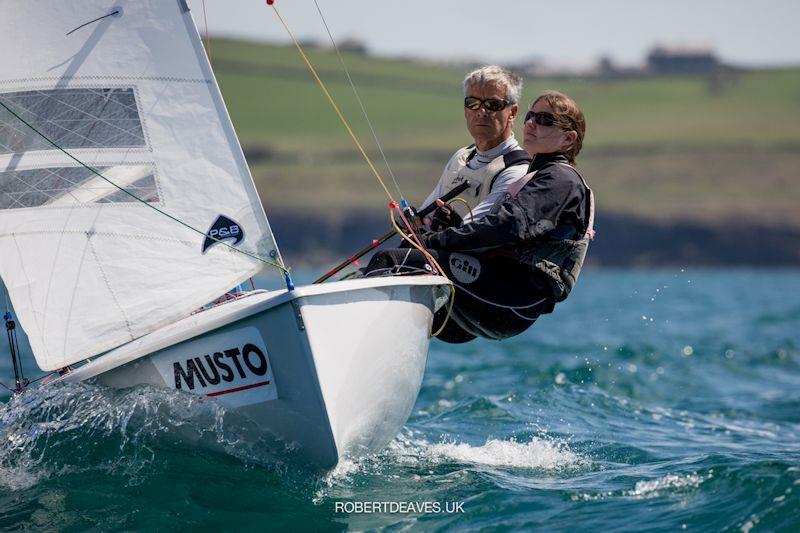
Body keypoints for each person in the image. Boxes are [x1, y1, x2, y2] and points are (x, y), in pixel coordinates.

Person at [364, 90, 595, 344]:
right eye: (531, 116)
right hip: (495, 296)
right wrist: (455, 226)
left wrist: (440, 239)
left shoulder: (559, 180)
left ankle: (357, 343)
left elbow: (508, 226)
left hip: (512, 298)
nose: (531, 123)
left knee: (392, 260)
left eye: (545, 120)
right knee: (409, 256)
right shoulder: (539, 176)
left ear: (568, 139)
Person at [420, 65, 531, 229]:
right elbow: (424, 215)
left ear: (512, 113)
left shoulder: (517, 170)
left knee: (389, 256)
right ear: (465, 110)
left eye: (493, 104)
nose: (481, 111)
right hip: (443, 248)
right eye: (473, 103)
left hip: (476, 253)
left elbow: (478, 231)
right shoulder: (461, 157)